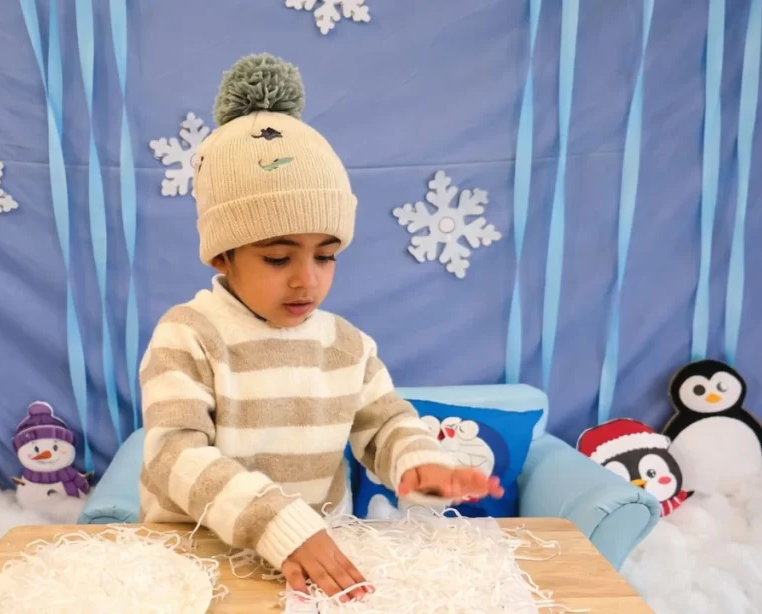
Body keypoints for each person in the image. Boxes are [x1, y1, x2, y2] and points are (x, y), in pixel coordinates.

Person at [138, 53, 504, 602]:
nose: (306, 282)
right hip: (195, 569)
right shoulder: (188, 334)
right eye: (279, 259)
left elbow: (383, 425)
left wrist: (420, 462)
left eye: (326, 256)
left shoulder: (346, 345)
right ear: (222, 256)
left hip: (311, 573)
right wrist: (278, 523)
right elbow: (173, 456)